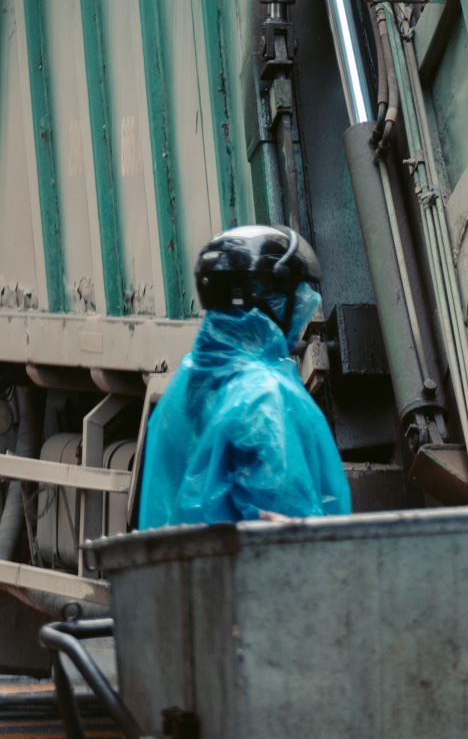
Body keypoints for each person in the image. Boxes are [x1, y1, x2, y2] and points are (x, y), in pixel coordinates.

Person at [137, 226, 352, 528]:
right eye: (295, 294)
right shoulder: (262, 398)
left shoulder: (185, 383)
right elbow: (290, 529)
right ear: (263, 296)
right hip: (243, 573)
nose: (305, 303)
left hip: (180, 572)